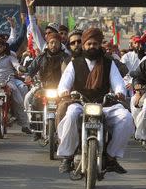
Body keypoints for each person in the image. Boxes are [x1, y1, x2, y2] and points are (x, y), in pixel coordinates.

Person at [57, 27, 134, 174]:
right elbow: (64, 83)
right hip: (80, 103)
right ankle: (67, 156)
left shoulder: (108, 63)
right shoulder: (75, 63)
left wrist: (119, 92)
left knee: (126, 117)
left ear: (99, 45)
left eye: (95, 44)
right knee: (71, 115)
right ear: (84, 45)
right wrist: (64, 91)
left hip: (104, 104)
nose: (92, 46)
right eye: (89, 44)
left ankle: (111, 157)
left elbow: (118, 82)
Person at [23, 32, 70, 140]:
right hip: (44, 88)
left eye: (56, 43)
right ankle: (37, 130)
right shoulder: (41, 57)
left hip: (60, 89)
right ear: (47, 44)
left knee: (67, 108)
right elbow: (31, 70)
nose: (54, 45)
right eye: (51, 42)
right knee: (35, 102)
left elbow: (71, 72)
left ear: (60, 44)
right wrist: (28, 76)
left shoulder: (66, 58)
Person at [0, 37, 31, 134]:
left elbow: (16, 65)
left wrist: (21, 68)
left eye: (0, 47)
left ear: (4, 47)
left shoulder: (10, 57)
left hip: (9, 81)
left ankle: (24, 125)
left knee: (19, 101)